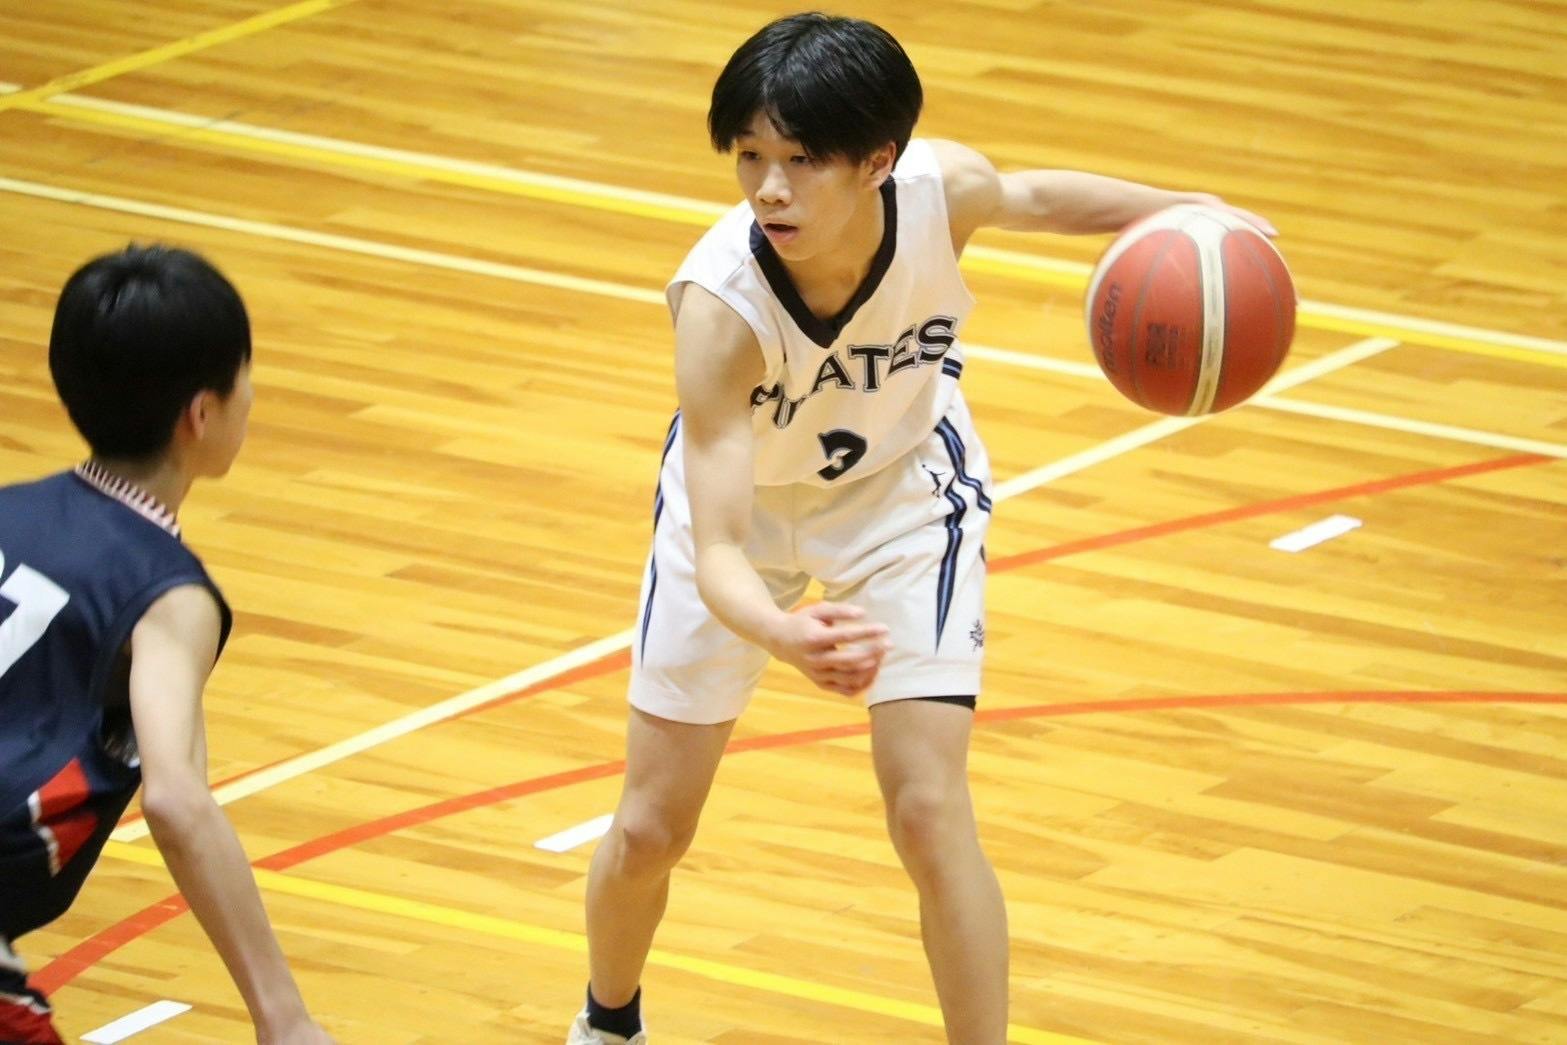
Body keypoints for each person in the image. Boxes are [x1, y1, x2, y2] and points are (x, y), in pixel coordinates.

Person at [570, 14, 1272, 1044]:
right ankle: (607, 1021)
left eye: (800, 161)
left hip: (902, 497)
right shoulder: (718, 309)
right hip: (743, 520)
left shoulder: (942, 192)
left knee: (928, 811)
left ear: (877, 162)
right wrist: (781, 632)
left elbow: (1036, 197)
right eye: (750, 157)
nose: (768, 189)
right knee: (646, 829)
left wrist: (1190, 211)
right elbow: (716, 545)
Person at [0, 245, 333, 1045]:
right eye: (245, 376)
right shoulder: (166, 594)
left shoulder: (10, 506)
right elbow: (178, 801)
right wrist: (283, 1015)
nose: (254, 395)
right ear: (202, 414)